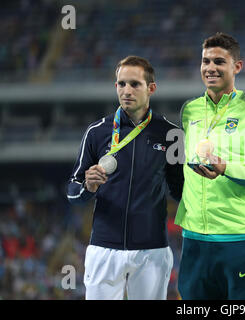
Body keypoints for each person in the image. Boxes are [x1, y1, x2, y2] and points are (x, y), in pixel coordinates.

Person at [66, 55, 183, 300]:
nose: (126, 90)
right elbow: (72, 192)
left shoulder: (171, 134)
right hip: (104, 248)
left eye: (135, 84)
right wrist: (87, 186)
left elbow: (180, 190)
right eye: (121, 84)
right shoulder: (97, 132)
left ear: (151, 88)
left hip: (152, 250)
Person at [174, 32, 245, 300]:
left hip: (237, 238)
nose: (210, 68)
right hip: (193, 238)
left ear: (237, 66)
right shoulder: (189, 110)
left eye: (219, 61)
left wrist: (227, 169)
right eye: (205, 61)